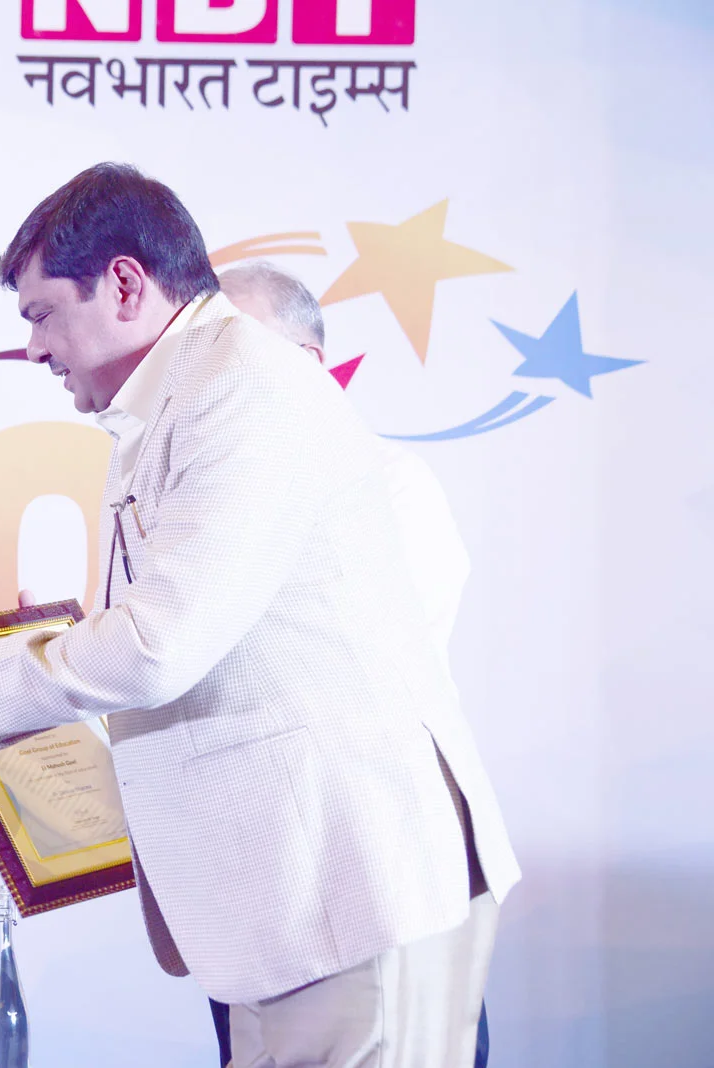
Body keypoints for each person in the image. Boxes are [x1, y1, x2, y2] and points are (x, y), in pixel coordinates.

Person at [0, 164, 520, 1066]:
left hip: (352, 886)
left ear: (125, 285)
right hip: (296, 901)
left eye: (41, 314)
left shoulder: (240, 386)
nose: (33, 349)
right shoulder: (182, 396)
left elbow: (158, 645)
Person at [217, 260, 491, 1068]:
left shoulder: (388, 487)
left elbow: (330, 670)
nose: (205, 378)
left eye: (230, 350)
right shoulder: (215, 509)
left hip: (375, 870)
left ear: (306, 363)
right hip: (264, 883)